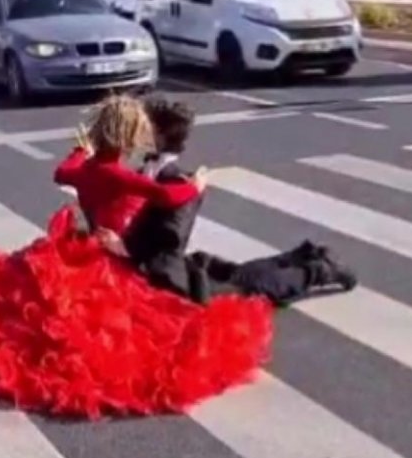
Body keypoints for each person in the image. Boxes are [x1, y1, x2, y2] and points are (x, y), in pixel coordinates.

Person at [0, 94, 273, 419]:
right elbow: (168, 197)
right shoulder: (118, 174)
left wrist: (80, 148)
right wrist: (197, 184)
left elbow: (61, 171)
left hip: (70, 247)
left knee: (10, 313)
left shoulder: (84, 169)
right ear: (129, 137)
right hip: (103, 260)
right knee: (91, 339)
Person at [100, 98, 356, 305]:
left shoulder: (180, 181)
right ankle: (304, 256)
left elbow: (172, 239)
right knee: (237, 275)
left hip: (167, 279)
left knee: (253, 289)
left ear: (158, 134)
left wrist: (124, 248)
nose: (135, 133)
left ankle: (321, 270)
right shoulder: (145, 170)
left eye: (142, 127)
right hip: (159, 267)